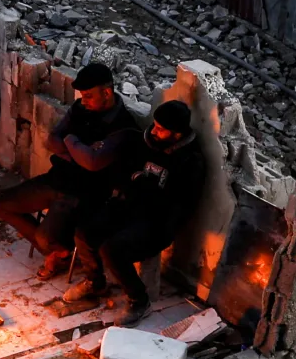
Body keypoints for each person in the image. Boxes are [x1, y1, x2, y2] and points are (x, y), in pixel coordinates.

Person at [0, 62, 142, 278]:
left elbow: (93, 163)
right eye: (82, 96)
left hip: (83, 194)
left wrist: (71, 138)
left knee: (46, 238)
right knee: (2, 205)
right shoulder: (81, 108)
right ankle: (60, 252)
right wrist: (78, 151)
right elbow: (52, 140)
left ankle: (56, 251)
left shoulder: (124, 128)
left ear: (107, 92)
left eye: (89, 96)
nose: (84, 101)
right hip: (57, 179)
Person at [62, 100, 206, 318]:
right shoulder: (144, 142)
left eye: (161, 129)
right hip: (128, 205)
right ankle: (95, 281)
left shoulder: (190, 162)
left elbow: (176, 202)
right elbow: (122, 174)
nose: (155, 131)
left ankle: (139, 300)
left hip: (157, 222)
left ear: (176, 134)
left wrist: (143, 186)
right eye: (155, 125)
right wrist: (135, 187)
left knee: (112, 250)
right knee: (84, 233)